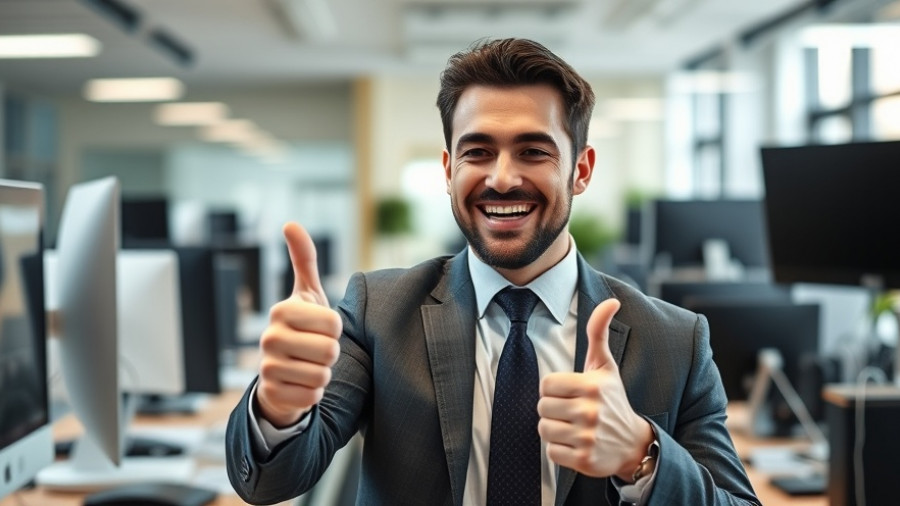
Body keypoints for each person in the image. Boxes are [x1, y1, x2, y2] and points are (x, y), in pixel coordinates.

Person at [226, 38, 760, 505]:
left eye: (533, 151)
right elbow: (270, 483)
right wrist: (279, 407)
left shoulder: (674, 341)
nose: (502, 179)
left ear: (581, 170)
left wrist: (642, 457)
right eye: (477, 151)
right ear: (449, 169)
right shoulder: (378, 311)